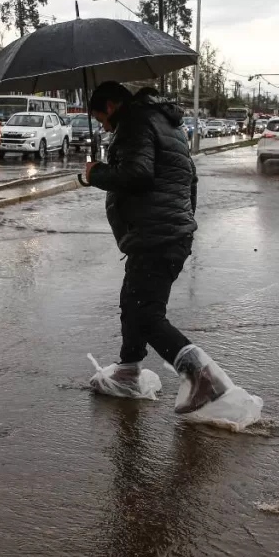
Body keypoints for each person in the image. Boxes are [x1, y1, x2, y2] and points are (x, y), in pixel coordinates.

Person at [82, 81, 229, 414]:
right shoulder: (164, 122)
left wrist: (97, 173)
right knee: (133, 302)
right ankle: (128, 371)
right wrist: (180, 223)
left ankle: (202, 378)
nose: (105, 127)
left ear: (110, 106)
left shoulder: (134, 122)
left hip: (156, 235)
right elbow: (190, 179)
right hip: (167, 233)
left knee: (146, 314)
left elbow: (138, 174)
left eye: (102, 120)